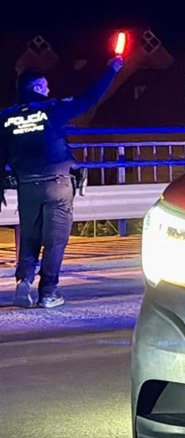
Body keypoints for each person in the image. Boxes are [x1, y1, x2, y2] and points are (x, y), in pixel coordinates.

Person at [2, 57, 123, 308]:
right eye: (44, 86)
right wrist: (112, 68)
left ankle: (23, 282)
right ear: (36, 88)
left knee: (30, 236)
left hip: (27, 185)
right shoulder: (52, 108)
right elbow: (89, 99)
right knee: (55, 240)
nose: (48, 90)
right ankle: (48, 292)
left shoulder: (5, 118)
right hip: (57, 182)